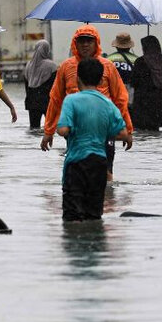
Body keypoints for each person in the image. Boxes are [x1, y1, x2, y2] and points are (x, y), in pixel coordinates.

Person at [40, 25, 132, 180]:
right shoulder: (66, 67)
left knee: (106, 172)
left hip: (103, 125)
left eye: (89, 41)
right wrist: (48, 132)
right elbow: (55, 99)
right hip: (76, 128)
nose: (85, 45)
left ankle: (107, 201)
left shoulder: (107, 66)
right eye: (81, 41)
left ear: (96, 43)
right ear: (75, 44)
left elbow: (120, 98)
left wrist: (127, 129)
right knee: (78, 170)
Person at [56, 58, 132, 221]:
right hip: (99, 164)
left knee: (72, 216)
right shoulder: (108, 104)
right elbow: (124, 133)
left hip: (76, 163)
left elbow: (63, 130)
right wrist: (102, 133)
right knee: (94, 215)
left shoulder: (71, 100)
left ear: (78, 78)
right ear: (100, 80)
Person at [130, 35, 162, 130]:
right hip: (158, 97)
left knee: (140, 129)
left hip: (141, 98)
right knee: (154, 128)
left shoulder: (141, 61)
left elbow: (133, 81)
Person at [23, 39, 58, 130]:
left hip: (32, 102)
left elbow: (26, 87)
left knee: (34, 129)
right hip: (48, 102)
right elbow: (56, 87)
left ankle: (32, 145)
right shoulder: (52, 66)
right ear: (47, 49)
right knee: (51, 128)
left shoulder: (28, 65)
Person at [102, 32, 138, 106]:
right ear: (129, 46)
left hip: (113, 99)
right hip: (130, 99)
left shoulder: (109, 59)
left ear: (116, 46)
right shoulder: (137, 60)